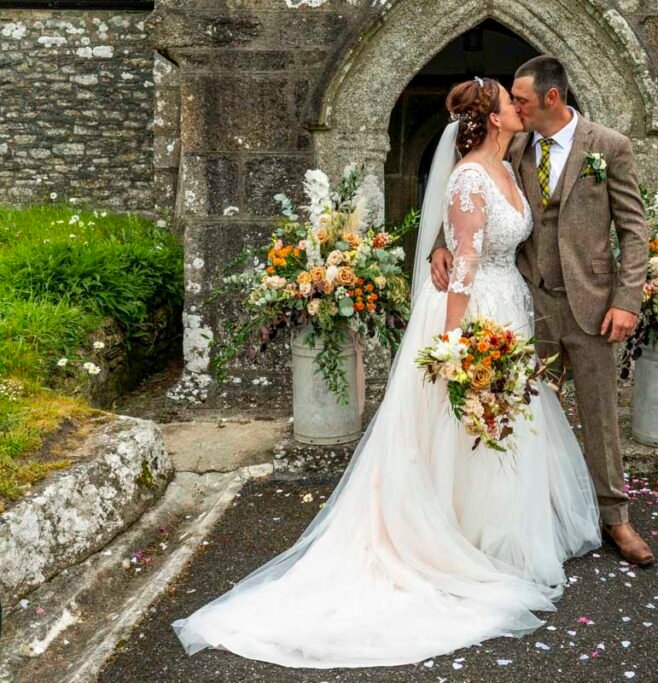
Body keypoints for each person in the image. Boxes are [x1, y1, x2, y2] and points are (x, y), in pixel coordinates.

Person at [170, 76, 602, 669]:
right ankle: (459, 538)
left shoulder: (515, 159)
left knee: (505, 418)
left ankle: (497, 531)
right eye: (509, 101)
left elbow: (488, 241)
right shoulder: (471, 175)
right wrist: (454, 344)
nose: (518, 106)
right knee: (465, 418)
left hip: (510, 304)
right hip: (470, 310)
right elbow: (467, 256)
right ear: (493, 118)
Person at [432, 55, 653, 565]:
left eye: (523, 99)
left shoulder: (608, 147)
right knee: (527, 418)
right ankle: (540, 514)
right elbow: (471, 207)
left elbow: (634, 231)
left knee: (600, 415)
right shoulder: (513, 146)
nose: (517, 106)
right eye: (512, 101)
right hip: (526, 304)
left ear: (552, 98)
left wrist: (627, 300)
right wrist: (438, 247)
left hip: (595, 306)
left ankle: (617, 520)